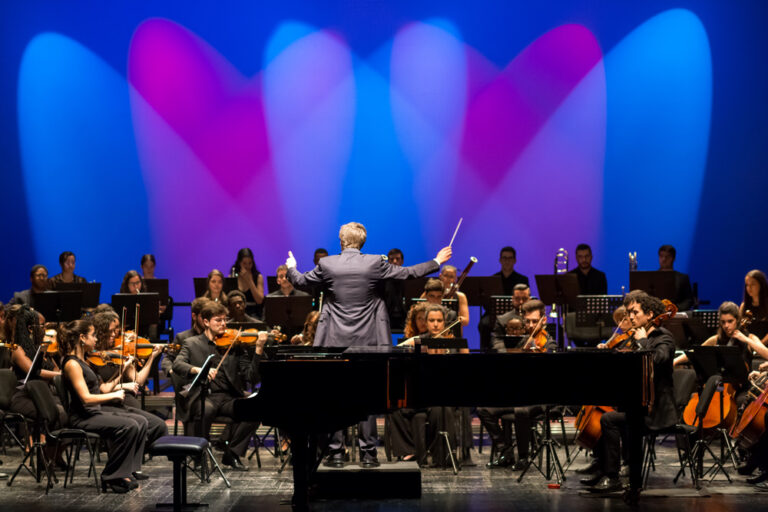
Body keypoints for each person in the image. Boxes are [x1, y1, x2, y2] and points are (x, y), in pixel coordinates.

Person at [286, 221, 451, 468]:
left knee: (336, 396)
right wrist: (437, 261)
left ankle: (337, 453)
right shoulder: (374, 263)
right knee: (367, 396)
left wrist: (291, 267)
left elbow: (300, 282)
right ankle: (368, 454)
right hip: (368, 342)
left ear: (341, 241)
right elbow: (408, 273)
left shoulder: (327, 264)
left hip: (335, 342)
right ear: (362, 242)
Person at [584, 291, 677, 492]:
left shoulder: (664, 337)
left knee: (609, 419)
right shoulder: (633, 337)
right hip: (639, 403)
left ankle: (614, 477)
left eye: (634, 312)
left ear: (650, 314)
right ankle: (604, 469)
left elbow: (658, 360)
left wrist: (643, 343)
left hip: (656, 411)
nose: (630, 317)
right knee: (605, 413)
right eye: (628, 312)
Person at [172, 301, 264, 471]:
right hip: (203, 395)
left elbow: (251, 377)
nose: (223, 324)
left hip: (228, 398)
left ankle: (232, 454)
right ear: (206, 322)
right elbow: (177, 364)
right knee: (205, 409)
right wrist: (198, 370)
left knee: (255, 410)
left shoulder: (234, 345)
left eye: (224, 320)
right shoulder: (192, 343)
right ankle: (199, 455)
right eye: (218, 320)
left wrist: (258, 350)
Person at [60, 319, 148, 493]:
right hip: (82, 417)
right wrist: (113, 395)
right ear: (82, 338)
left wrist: (122, 372)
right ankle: (111, 475)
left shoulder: (84, 361)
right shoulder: (72, 364)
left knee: (140, 421)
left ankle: (126, 471)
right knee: (129, 425)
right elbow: (85, 398)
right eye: (93, 336)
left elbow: (103, 388)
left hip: (94, 413)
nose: (96, 340)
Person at [90, 311, 168, 462]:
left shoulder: (122, 350)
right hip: (104, 401)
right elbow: (101, 388)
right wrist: (124, 385)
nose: (115, 334)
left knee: (158, 426)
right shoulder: (93, 356)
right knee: (136, 421)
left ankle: (135, 459)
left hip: (121, 399)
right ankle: (125, 461)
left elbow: (137, 380)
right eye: (111, 331)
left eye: (116, 330)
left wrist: (151, 357)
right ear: (101, 331)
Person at [673, 302, 768, 407]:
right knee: (699, 398)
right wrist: (675, 361)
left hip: (742, 388)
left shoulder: (749, 338)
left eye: (730, 321)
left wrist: (745, 339)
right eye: (723, 322)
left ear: (737, 320)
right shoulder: (716, 339)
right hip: (719, 387)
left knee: (740, 401)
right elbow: (695, 351)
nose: (726, 326)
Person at [478, 247, 530, 349]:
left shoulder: (522, 279)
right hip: (495, 315)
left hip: (517, 314)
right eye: (504, 258)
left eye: (510, 258)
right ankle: (485, 353)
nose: (507, 261)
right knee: (484, 324)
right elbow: (487, 303)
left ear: (514, 260)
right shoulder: (492, 279)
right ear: (500, 260)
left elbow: (525, 301)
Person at [489, 284, 531, 351]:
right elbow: (497, 340)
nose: (521, 302)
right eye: (517, 298)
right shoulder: (502, 319)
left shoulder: (535, 320)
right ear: (512, 299)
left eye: (525, 299)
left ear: (530, 299)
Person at [658, 245, 694, 311]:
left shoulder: (682, 278)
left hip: (676, 314)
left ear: (673, 258)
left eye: (667, 257)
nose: (664, 259)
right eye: (661, 256)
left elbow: (688, 300)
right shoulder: (652, 277)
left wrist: (675, 308)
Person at [230, 248, 264, 318]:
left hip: (254, 314)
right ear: (239, 263)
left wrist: (249, 281)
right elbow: (230, 299)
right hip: (236, 313)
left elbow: (259, 300)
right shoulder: (233, 276)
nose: (247, 266)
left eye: (250, 263)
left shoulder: (258, 277)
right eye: (244, 263)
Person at [741, 270, 768, 342]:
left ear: (761, 285)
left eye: (753, 284)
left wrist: (759, 346)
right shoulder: (744, 306)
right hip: (749, 346)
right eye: (747, 284)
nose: (749, 288)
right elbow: (743, 330)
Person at [384, 248, 407, 331]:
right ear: (388, 262)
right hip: (387, 318)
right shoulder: (382, 280)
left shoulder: (409, 280)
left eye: (397, 259)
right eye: (391, 259)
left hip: (405, 317)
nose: (394, 261)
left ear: (402, 261)